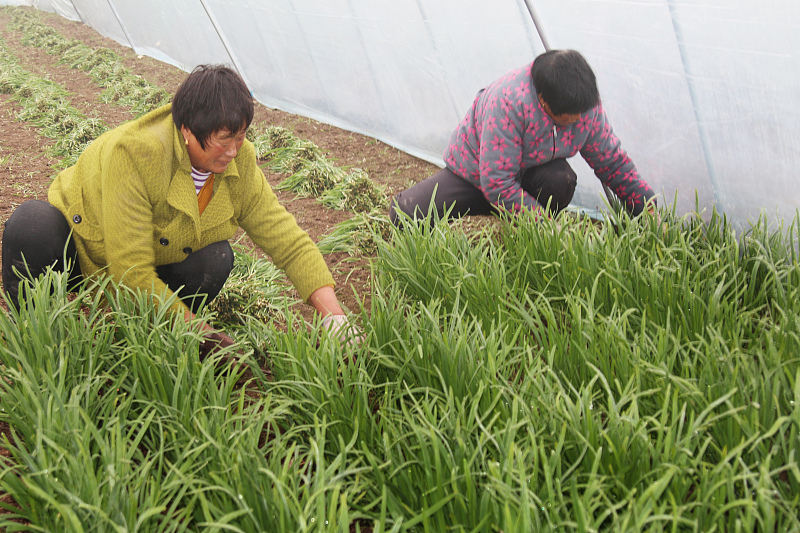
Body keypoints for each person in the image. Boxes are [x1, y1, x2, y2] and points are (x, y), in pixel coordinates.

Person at [2, 64, 358, 356]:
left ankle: (153, 337)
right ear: (187, 130)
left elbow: (286, 239)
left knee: (215, 258)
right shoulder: (137, 154)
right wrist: (205, 337)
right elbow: (130, 271)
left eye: (240, 136)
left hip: (154, 253)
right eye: (223, 139)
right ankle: (35, 342)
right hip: (84, 247)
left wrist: (333, 315)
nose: (233, 150)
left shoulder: (240, 163)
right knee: (31, 228)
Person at [389, 49, 656, 224]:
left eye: (581, 114)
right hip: (474, 177)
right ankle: (528, 225)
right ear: (543, 102)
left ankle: (523, 233)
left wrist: (648, 207)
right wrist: (543, 225)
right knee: (406, 213)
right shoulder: (509, 102)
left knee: (560, 180)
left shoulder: (584, 106)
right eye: (569, 117)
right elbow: (495, 182)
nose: (578, 121)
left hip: (530, 175)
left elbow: (612, 161)